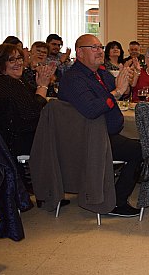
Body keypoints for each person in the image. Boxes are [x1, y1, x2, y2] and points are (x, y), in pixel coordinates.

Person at [58, 34, 142, 218]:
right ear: (80, 52)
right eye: (94, 47)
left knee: (141, 143)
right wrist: (118, 91)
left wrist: (125, 84)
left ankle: (114, 194)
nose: (100, 51)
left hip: (104, 134)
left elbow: (120, 92)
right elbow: (91, 109)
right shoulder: (74, 78)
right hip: (88, 139)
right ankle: (117, 202)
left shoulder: (101, 73)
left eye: (100, 47)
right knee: (140, 150)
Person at [0, 43, 54, 156]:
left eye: (19, 58)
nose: (19, 63)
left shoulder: (0, 81)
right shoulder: (8, 83)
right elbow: (33, 112)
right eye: (12, 60)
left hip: (8, 139)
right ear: (0, 64)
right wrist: (42, 86)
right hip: (21, 141)